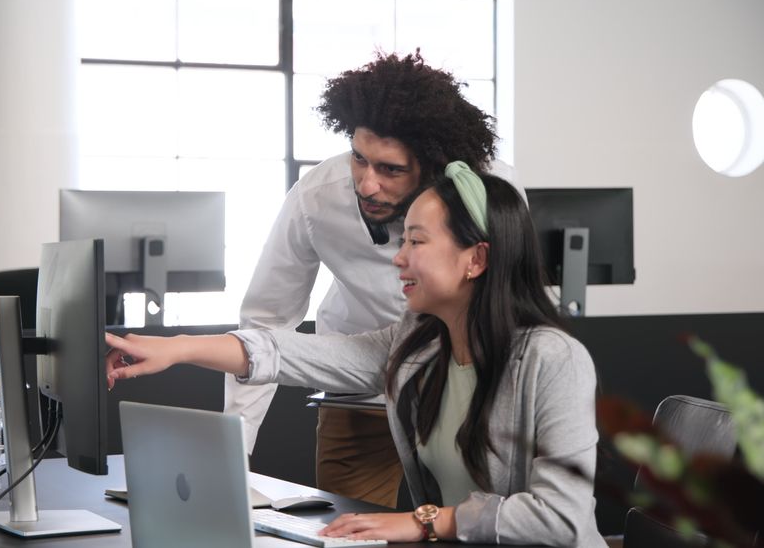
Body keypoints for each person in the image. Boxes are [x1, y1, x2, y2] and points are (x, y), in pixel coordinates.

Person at [106, 165, 604, 546]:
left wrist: (427, 521)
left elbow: (560, 517)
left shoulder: (553, 360)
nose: (399, 257)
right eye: (402, 239)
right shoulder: (420, 345)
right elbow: (299, 354)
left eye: (416, 241)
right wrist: (180, 348)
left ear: (476, 259)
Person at [230, 51, 519, 507]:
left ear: (434, 165)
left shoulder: (486, 193)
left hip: (470, 391)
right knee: (349, 530)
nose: (366, 183)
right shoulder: (317, 198)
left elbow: (515, 301)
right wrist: (233, 455)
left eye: (390, 169)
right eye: (359, 159)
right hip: (360, 383)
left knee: (477, 524)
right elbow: (266, 322)